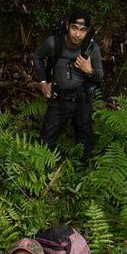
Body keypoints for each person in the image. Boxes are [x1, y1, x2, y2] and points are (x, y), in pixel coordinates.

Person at [33, 10, 104, 165]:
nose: (77, 34)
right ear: (67, 26)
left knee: (85, 138)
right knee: (46, 138)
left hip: (82, 98)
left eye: (82, 30)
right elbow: (38, 57)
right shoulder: (54, 43)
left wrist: (88, 70)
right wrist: (43, 82)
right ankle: (41, 170)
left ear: (88, 31)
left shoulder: (92, 49)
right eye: (74, 28)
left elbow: (99, 77)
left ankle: (82, 173)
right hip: (58, 97)